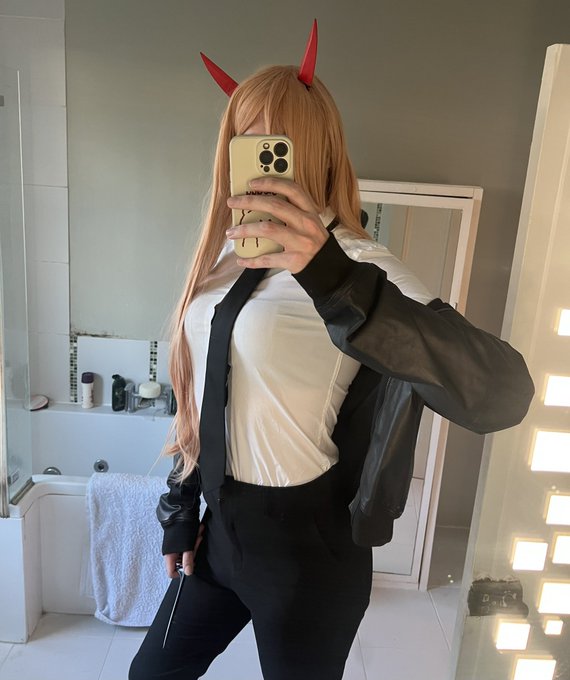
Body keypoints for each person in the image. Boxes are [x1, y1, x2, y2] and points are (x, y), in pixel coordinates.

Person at [129, 22, 534, 680]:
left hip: (307, 554)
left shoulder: (360, 264)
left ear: (315, 149)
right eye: (244, 139)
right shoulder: (225, 260)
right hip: (220, 535)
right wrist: (180, 510)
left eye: (277, 142)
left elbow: (501, 393)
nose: (260, 156)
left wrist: (332, 276)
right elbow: (201, 395)